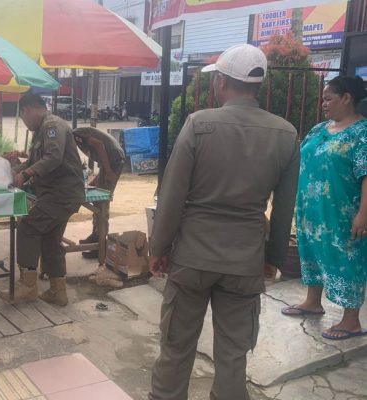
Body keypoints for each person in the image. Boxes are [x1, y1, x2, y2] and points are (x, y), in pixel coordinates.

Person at [148, 44, 299, 400]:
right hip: (244, 262)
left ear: (220, 82)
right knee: (233, 355)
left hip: (192, 258)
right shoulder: (286, 133)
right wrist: (273, 257)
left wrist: (159, 247)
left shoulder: (199, 124)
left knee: (176, 346)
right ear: (257, 86)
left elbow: (172, 194)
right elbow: (284, 208)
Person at [282, 76, 367, 340]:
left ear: (347, 98)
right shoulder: (320, 129)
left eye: (328, 98)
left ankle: (351, 320)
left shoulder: (362, 134)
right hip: (312, 211)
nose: (323, 103)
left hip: (342, 213)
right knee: (313, 253)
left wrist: (363, 214)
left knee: (346, 261)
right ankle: (312, 301)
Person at [6, 92, 84, 306]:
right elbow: (32, 161)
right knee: (50, 241)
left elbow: (53, 158)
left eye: (22, 118)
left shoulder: (52, 125)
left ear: (27, 110)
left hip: (61, 194)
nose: (24, 123)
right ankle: (58, 292)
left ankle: (28, 286)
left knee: (28, 228)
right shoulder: (41, 130)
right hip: (58, 194)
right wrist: (11, 170)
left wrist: (26, 174)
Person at [72, 127, 125, 259]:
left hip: (114, 160)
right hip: (110, 160)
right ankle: (95, 235)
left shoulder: (76, 135)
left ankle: (102, 245)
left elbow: (99, 145)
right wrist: (97, 179)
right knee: (97, 198)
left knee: (102, 201)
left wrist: (107, 171)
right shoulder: (75, 136)